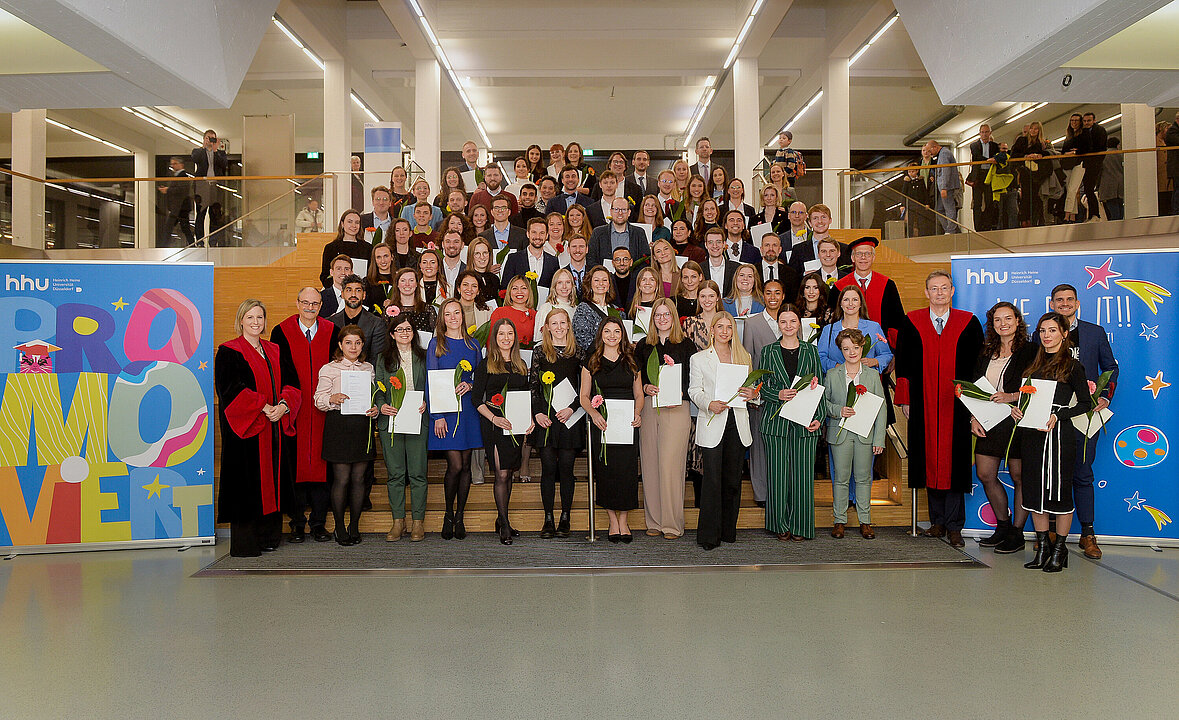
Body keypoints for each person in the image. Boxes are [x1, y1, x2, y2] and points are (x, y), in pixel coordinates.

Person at [895, 270, 984, 547]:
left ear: (952, 291)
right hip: (923, 402)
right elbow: (904, 362)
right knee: (928, 459)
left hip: (957, 405)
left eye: (944, 288)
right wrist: (906, 399)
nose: (939, 293)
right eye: (934, 288)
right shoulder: (913, 321)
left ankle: (955, 526)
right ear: (926, 292)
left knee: (954, 461)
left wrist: (974, 404)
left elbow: (977, 366)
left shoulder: (968, 323)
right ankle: (937, 522)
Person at [216, 300, 299, 556]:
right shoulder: (229, 351)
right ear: (241, 320)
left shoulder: (274, 349)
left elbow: (292, 383)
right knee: (247, 482)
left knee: (272, 481)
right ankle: (246, 543)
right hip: (247, 433)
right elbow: (231, 390)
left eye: (260, 318)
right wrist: (264, 406)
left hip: (272, 429)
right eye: (250, 317)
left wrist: (283, 406)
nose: (255, 322)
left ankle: (269, 536)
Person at [1013, 312, 1092, 573]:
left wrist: (1059, 414)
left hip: (1058, 436)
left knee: (1058, 493)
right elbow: (1026, 399)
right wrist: (1018, 410)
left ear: (1064, 334)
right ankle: (1043, 546)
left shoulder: (1072, 367)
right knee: (1035, 492)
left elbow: (1084, 403)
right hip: (1033, 435)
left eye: (1053, 331)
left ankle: (1060, 549)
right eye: (1043, 331)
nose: (1047, 336)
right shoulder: (1032, 366)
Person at [1049, 283, 1118, 559]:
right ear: (1052, 304)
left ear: (1077, 303)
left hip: (1085, 413)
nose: (1064, 304)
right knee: (1053, 473)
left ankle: (1088, 533)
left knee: (1082, 472)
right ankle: (1052, 532)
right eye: (1059, 300)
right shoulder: (1042, 333)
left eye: (1069, 300)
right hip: (1052, 415)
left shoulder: (1094, 332)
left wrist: (1106, 396)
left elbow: (1111, 367)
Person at [270, 288, 339, 544]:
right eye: (305, 302)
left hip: (323, 410)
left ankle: (319, 524)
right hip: (293, 410)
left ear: (321, 305)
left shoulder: (332, 331)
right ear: (297, 303)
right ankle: (297, 524)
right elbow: (278, 370)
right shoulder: (281, 331)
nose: (310, 307)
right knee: (294, 469)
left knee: (323, 469)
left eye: (315, 303)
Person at [969, 302, 1037, 554]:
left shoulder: (1031, 350)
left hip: (1018, 420)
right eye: (997, 320)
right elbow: (974, 388)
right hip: (988, 421)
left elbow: (1038, 386)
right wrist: (973, 418)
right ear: (992, 324)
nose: (1003, 324)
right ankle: (1003, 527)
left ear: (1018, 321)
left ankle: (1017, 534)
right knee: (986, 474)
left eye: (1008, 318)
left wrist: (1012, 396)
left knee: (1020, 478)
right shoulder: (986, 351)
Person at [689, 312, 758, 549]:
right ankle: (709, 536)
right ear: (712, 330)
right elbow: (694, 391)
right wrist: (709, 404)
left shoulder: (743, 356)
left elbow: (751, 393)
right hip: (713, 421)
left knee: (732, 481)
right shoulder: (699, 359)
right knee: (712, 481)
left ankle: (728, 531)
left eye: (729, 327)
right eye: (720, 327)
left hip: (737, 423)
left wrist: (754, 395)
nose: (725, 331)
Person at [759, 304, 824, 540]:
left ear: (799, 324)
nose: (788, 326)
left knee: (803, 478)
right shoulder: (768, 351)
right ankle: (780, 525)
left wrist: (819, 418)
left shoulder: (811, 351)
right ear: (778, 325)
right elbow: (760, 387)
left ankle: (801, 526)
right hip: (775, 424)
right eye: (783, 321)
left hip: (804, 424)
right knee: (777, 477)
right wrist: (777, 395)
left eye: (793, 321)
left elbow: (820, 388)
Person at [634, 298, 695, 539]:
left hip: (676, 408)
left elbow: (693, 376)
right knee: (650, 464)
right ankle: (655, 521)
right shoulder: (643, 346)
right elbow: (636, 376)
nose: (662, 319)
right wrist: (646, 387)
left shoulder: (685, 345)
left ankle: (672, 524)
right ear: (652, 319)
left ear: (673, 317)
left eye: (666, 314)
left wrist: (681, 389)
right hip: (649, 408)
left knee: (670, 465)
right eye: (657, 315)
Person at [313, 324, 378, 546]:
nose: (353, 347)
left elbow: (373, 397)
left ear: (363, 345)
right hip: (339, 426)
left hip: (362, 426)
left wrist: (375, 409)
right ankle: (340, 526)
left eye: (358, 343)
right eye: (348, 342)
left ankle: (355, 525)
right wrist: (332, 398)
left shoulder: (368, 368)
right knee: (341, 479)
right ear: (340, 345)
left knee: (359, 479)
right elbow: (318, 400)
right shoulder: (329, 369)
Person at [580, 316, 643, 542]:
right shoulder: (592, 361)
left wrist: (637, 413)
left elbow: (639, 394)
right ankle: (612, 520)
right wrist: (594, 414)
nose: (612, 336)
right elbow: (584, 397)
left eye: (617, 332)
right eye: (607, 331)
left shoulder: (631, 361)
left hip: (627, 424)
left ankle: (624, 521)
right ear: (601, 334)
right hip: (603, 424)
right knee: (605, 472)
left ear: (622, 335)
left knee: (626, 473)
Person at [472, 318, 533, 545]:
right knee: (502, 474)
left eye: (510, 334)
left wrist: (529, 421)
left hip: (515, 427)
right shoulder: (486, 364)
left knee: (510, 472)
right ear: (495, 338)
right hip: (494, 425)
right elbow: (476, 399)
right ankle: (504, 525)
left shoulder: (521, 365)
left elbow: (526, 397)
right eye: (501, 334)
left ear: (514, 338)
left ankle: (502, 518)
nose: (506, 338)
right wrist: (494, 418)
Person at [371, 314, 430, 543]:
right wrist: (381, 405)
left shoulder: (424, 357)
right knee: (395, 474)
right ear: (392, 334)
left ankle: (418, 522)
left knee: (417, 473)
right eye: (400, 329)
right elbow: (377, 388)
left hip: (417, 418)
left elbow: (430, 386)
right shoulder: (383, 358)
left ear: (414, 333)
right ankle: (398, 521)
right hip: (392, 420)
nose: (404, 333)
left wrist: (428, 402)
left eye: (408, 329)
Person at [823, 328, 886, 539]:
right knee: (840, 478)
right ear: (840, 350)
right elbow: (824, 404)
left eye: (856, 348)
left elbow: (881, 408)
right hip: (839, 434)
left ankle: (865, 521)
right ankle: (839, 521)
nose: (852, 352)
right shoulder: (832, 375)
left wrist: (879, 439)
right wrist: (838, 410)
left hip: (865, 435)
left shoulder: (872, 375)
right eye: (846, 348)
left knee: (863, 478)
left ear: (862, 349)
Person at [427, 299, 481, 539]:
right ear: (442, 318)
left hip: (469, 411)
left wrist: (470, 384)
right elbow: (431, 380)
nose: (452, 318)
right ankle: (448, 514)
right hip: (446, 412)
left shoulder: (474, 344)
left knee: (467, 466)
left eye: (456, 313)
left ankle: (460, 517)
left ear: (462, 315)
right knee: (455, 465)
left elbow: (481, 378)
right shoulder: (435, 344)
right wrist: (437, 415)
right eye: (447, 314)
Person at [529, 308, 584, 538]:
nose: (559, 327)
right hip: (547, 419)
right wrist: (538, 414)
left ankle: (565, 517)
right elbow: (533, 386)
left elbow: (584, 387)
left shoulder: (578, 352)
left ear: (568, 325)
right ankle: (548, 518)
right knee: (549, 468)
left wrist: (572, 408)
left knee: (567, 469)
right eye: (554, 323)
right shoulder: (540, 351)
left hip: (570, 417)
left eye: (563, 323)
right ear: (547, 327)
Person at [741, 279, 786, 507]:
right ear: (763, 295)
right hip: (761, 393)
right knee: (759, 447)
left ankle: (782, 492)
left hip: (787, 394)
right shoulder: (752, 323)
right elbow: (748, 358)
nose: (773, 297)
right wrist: (752, 391)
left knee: (782, 448)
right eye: (768, 293)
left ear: (783, 296)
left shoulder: (790, 321)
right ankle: (762, 493)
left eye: (777, 293)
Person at [817, 285, 892, 374]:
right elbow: (820, 358)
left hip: (866, 380)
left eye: (855, 300)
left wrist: (874, 361)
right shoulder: (828, 330)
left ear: (860, 304)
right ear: (840, 304)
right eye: (846, 300)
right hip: (837, 381)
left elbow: (886, 355)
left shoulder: (873, 327)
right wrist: (837, 367)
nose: (850, 304)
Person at [329, 273, 388, 362]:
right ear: (342, 294)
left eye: (358, 290)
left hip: (366, 373)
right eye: (349, 290)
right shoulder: (331, 323)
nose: (353, 294)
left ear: (364, 295)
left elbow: (376, 360)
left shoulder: (377, 324)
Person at [588, 196, 650, 268]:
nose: (620, 213)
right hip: (604, 278)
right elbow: (590, 259)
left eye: (624, 210)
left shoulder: (639, 233)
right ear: (611, 211)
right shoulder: (597, 233)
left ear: (629, 212)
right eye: (616, 209)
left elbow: (646, 260)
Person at [571, 265, 623, 351]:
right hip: (594, 360)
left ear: (609, 284)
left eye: (604, 280)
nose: (601, 283)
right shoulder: (583, 309)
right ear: (590, 284)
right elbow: (582, 341)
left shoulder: (618, 311)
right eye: (596, 280)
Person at [319, 209, 373, 287]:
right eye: (350, 222)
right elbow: (324, 276)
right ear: (342, 224)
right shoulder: (331, 248)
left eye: (357, 222)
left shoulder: (368, 248)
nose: (353, 225)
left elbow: (371, 275)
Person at [502, 217, 559, 289]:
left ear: (547, 235)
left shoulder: (553, 262)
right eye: (534, 232)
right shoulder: (514, 259)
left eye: (542, 233)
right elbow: (505, 287)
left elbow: (556, 288)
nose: (538, 237)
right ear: (528, 234)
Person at [921, 139, 961, 233]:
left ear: (935, 147)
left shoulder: (944, 154)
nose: (930, 154)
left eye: (930, 151)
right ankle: (951, 229)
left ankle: (951, 231)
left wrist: (944, 188)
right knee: (939, 210)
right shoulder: (942, 154)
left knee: (949, 208)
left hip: (947, 187)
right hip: (944, 187)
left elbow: (946, 171)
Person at [966, 124, 1000, 232]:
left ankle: (987, 225)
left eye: (986, 132)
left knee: (989, 201)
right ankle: (978, 227)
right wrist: (989, 160)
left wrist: (993, 159)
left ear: (990, 133)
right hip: (978, 175)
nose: (984, 134)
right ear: (979, 133)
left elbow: (998, 156)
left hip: (989, 174)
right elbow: (976, 157)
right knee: (977, 203)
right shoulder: (974, 145)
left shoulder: (994, 146)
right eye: (982, 132)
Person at [489, 275, 537, 347]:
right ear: (509, 292)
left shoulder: (536, 315)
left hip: (528, 356)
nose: (519, 292)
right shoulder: (499, 312)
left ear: (529, 291)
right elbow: (491, 340)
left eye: (524, 288)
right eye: (515, 288)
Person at [534, 267, 578, 344]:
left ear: (572, 285)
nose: (564, 286)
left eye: (568, 282)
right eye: (560, 282)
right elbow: (537, 339)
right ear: (554, 286)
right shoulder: (546, 308)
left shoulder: (576, 309)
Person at [159, 155, 194, 247]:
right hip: (179, 207)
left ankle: (163, 246)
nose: (173, 166)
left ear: (181, 165)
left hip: (180, 207)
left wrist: (168, 190)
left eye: (175, 164)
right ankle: (192, 245)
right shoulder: (177, 176)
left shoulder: (183, 176)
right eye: (172, 164)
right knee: (184, 228)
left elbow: (182, 190)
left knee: (170, 227)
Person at [390, 267, 438, 333]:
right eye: (403, 280)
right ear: (397, 284)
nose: (407, 284)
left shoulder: (428, 310)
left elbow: (436, 336)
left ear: (416, 284)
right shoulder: (389, 311)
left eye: (411, 280)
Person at [756, 233, 798, 300]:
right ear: (761, 249)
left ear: (780, 250)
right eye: (767, 245)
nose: (771, 249)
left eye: (774, 245)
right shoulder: (753, 272)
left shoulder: (791, 273)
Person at [701, 226, 739, 296]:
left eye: (718, 242)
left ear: (724, 244)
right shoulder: (699, 269)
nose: (715, 246)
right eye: (710, 242)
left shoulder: (737, 268)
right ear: (706, 245)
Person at [900, 162, 935, 237]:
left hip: (920, 204)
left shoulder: (920, 180)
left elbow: (924, 192)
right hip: (910, 205)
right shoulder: (907, 181)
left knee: (921, 221)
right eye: (909, 171)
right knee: (910, 222)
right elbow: (904, 193)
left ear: (917, 171)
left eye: (912, 171)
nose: (910, 173)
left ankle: (922, 235)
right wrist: (902, 204)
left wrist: (927, 203)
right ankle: (910, 236)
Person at [465, 236, 501, 304]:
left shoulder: (495, 279)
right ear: (471, 256)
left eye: (485, 253)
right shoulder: (464, 278)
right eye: (477, 253)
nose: (482, 257)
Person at [364, 243, 396, 311]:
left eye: (386, 256)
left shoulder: (399, 279)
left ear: (392, 257)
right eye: (378, 257)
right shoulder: (367, 281)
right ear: (374, 260)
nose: (383, 261)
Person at [1099, 136, 1124, 221]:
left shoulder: (1103, 155)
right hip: (1120, 183)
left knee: (1112, 207)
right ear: (1117, 145)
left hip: (1108, 184)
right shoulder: (1121, 154)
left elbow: (1099, 170)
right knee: (1120, 206)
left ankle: (1115, 226)